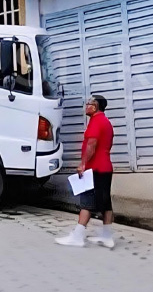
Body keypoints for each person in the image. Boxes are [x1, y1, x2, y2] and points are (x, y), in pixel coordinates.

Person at [55, 95, 115, 248]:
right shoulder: (106, 122)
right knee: (105, 203)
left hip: (95, 168)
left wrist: (83, 164)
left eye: (89, 103)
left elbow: (91, 145)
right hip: (106, 168)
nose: (86, 106)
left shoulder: (96, 121)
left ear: (95, 106)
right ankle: (107, 237)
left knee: (87, 202)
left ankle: (77, 236)